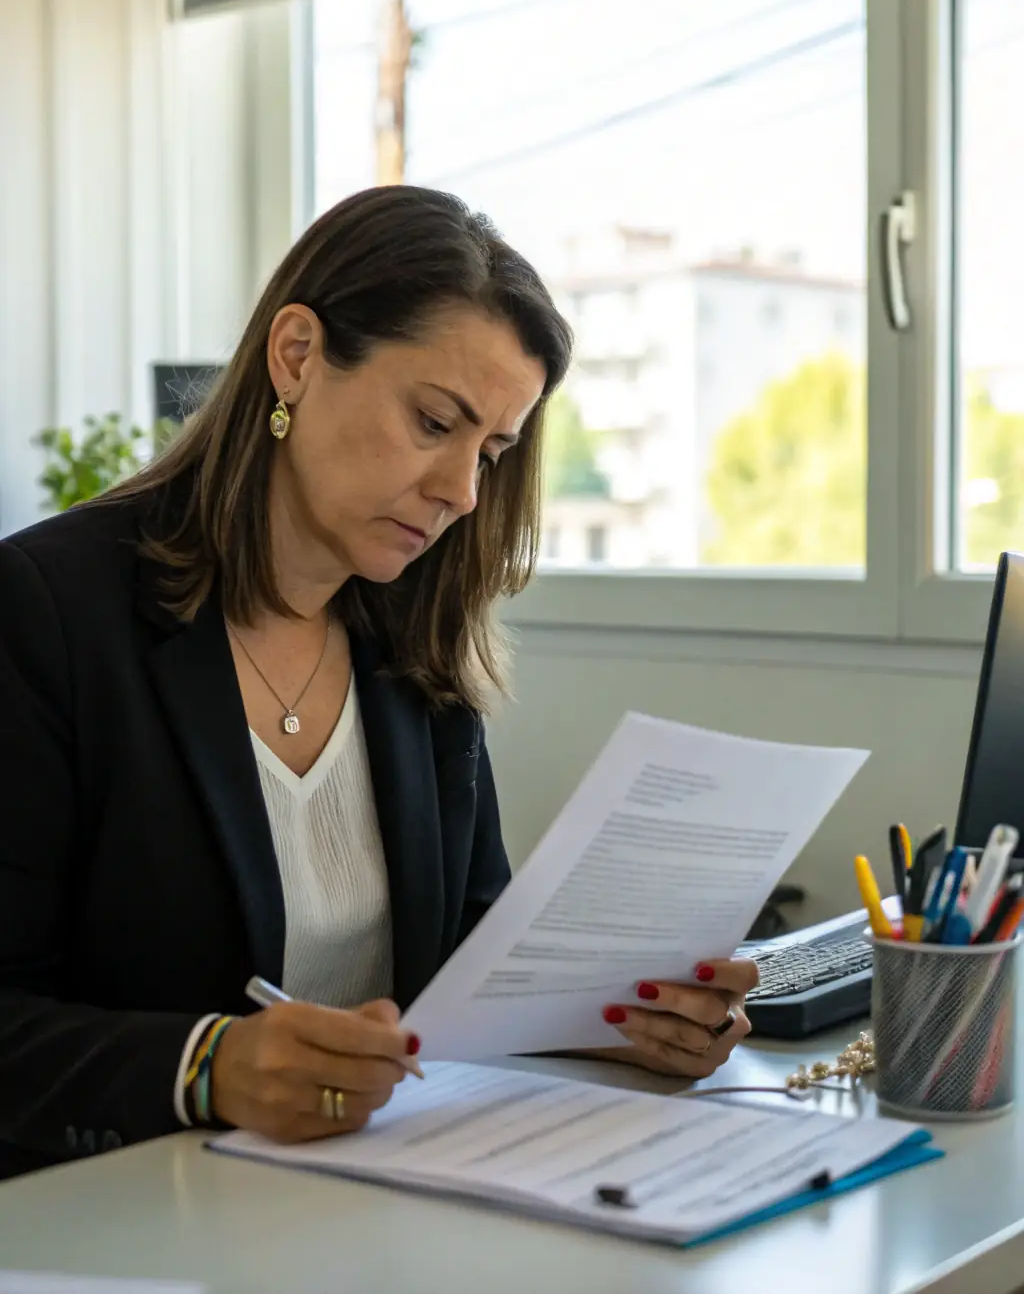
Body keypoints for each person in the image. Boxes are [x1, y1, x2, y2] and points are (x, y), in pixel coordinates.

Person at [0, 186, 757, 1180]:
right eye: (434, 421)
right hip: (116, 1221)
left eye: (491, 449)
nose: (461, 492)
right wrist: (204, 1066)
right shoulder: (46, 611)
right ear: (298, 357)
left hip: (364, 1208)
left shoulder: (418, 649)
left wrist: (606, 1017)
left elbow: (464, 961)